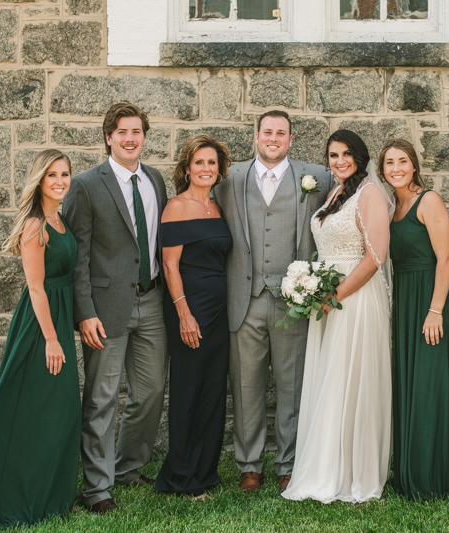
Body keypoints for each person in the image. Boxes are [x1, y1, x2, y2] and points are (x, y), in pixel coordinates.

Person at [0, 150, 80, 528]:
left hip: (59, 318)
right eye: (52, 175)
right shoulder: (35, 227)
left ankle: (51, 496)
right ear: (39, 180)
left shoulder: (59, 218)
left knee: (59, 412)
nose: (59, 181)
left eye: (65, 174)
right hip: (41, 328)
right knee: (29, 410)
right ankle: (9, 496)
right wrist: (52, 340)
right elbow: (36, 289)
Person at [213, 110, 332, 492]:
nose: (274, 138)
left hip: (293, 301)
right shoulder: (229, 179)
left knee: (292, 385)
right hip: (243, 299)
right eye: (268, 132)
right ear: (257, 135)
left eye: (281, 133)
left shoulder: (317, 178)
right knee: (245, 388)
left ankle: (288, 461)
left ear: (291, 139)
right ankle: (249, 464)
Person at [62, 102, 169, 514]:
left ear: (144, 136)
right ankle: (97, 487)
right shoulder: (87, 185)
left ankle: (127, 467)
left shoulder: (155, 180)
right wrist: (85, 311)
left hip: (152, 301)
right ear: (108, 136)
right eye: (122, 132)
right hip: (105, 309)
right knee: (102, 398)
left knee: (150, 392)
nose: (130, 138)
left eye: (137, 131)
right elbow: (78, 257)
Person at [282, 130, 393, 504]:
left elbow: (375, 257)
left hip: (354, 299)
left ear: (360, 157)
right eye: (333, 155)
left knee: (349, 377)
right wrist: (313, 288)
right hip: (327, 299)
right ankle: (324, 464)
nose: (339, 161)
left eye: (347, 154)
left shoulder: (371, 194)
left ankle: (352, 473)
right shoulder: (333, 193)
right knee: (329, 376)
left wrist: (336, 295)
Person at [380, 138, 449, 500]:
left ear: (414, 165)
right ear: (382, 170)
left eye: (403, 161)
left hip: (433, 303)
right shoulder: (389, 207)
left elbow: (446, 259)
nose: (396, 168)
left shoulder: (427, 200)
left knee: (431, 386)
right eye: (389, 163)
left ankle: (434, 476)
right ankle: (408, 471)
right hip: (405, 302)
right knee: (409, 385)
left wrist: (435, 311)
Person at [154, 135, 233, 497]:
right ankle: (181, 476)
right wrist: (184, 314)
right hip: (189, 307)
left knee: (213, 389)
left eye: (212, 163)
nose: (206, 169)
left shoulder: (217, 207)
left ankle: (205, 471)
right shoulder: (177, 206)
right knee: (188, 388)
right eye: (199, 163)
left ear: (220, 169)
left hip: (219, 309)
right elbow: (170, 266)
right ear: (187, 168)